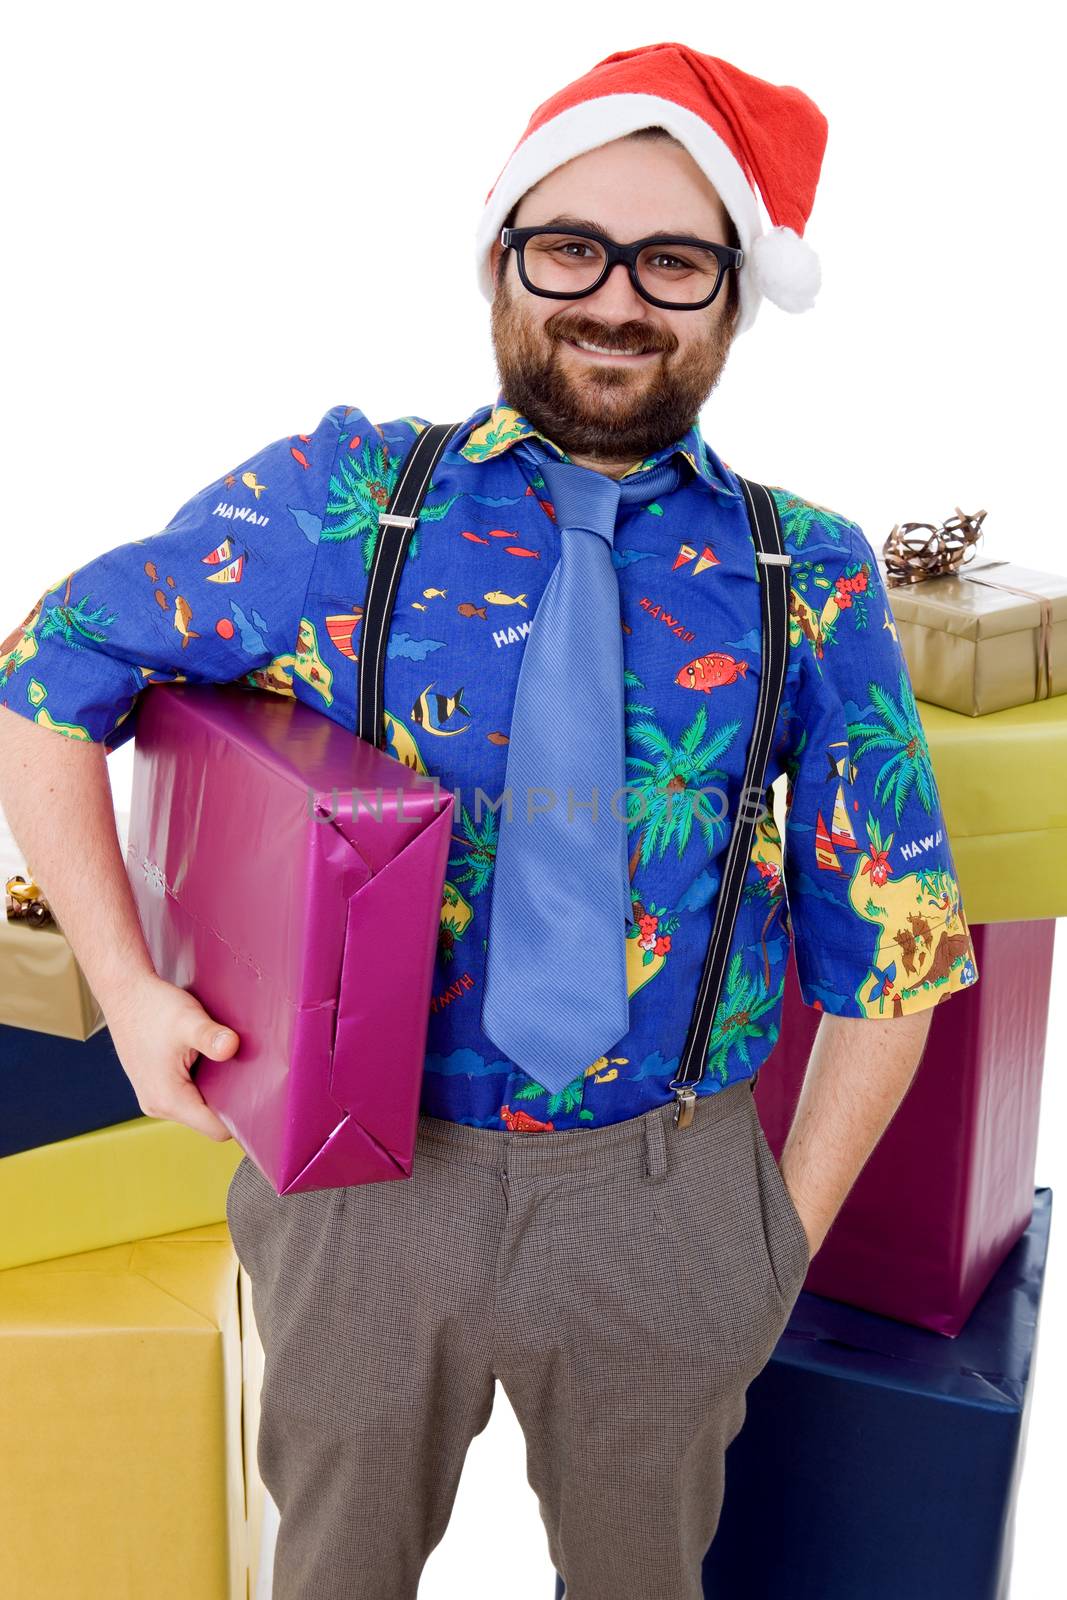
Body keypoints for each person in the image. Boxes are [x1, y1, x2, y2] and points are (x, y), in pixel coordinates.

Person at [0, 41, 978, 1600]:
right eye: (570, 245)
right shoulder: (349, 502)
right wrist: (124, 992)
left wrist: (774, 1242)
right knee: (335, 1576)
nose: (615, 298)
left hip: (673, 1198)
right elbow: (45, 676)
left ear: (730, 293)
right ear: (501, 261)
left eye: (673, 260)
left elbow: (902, 948)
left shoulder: (812, 572)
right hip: (363, 1190)